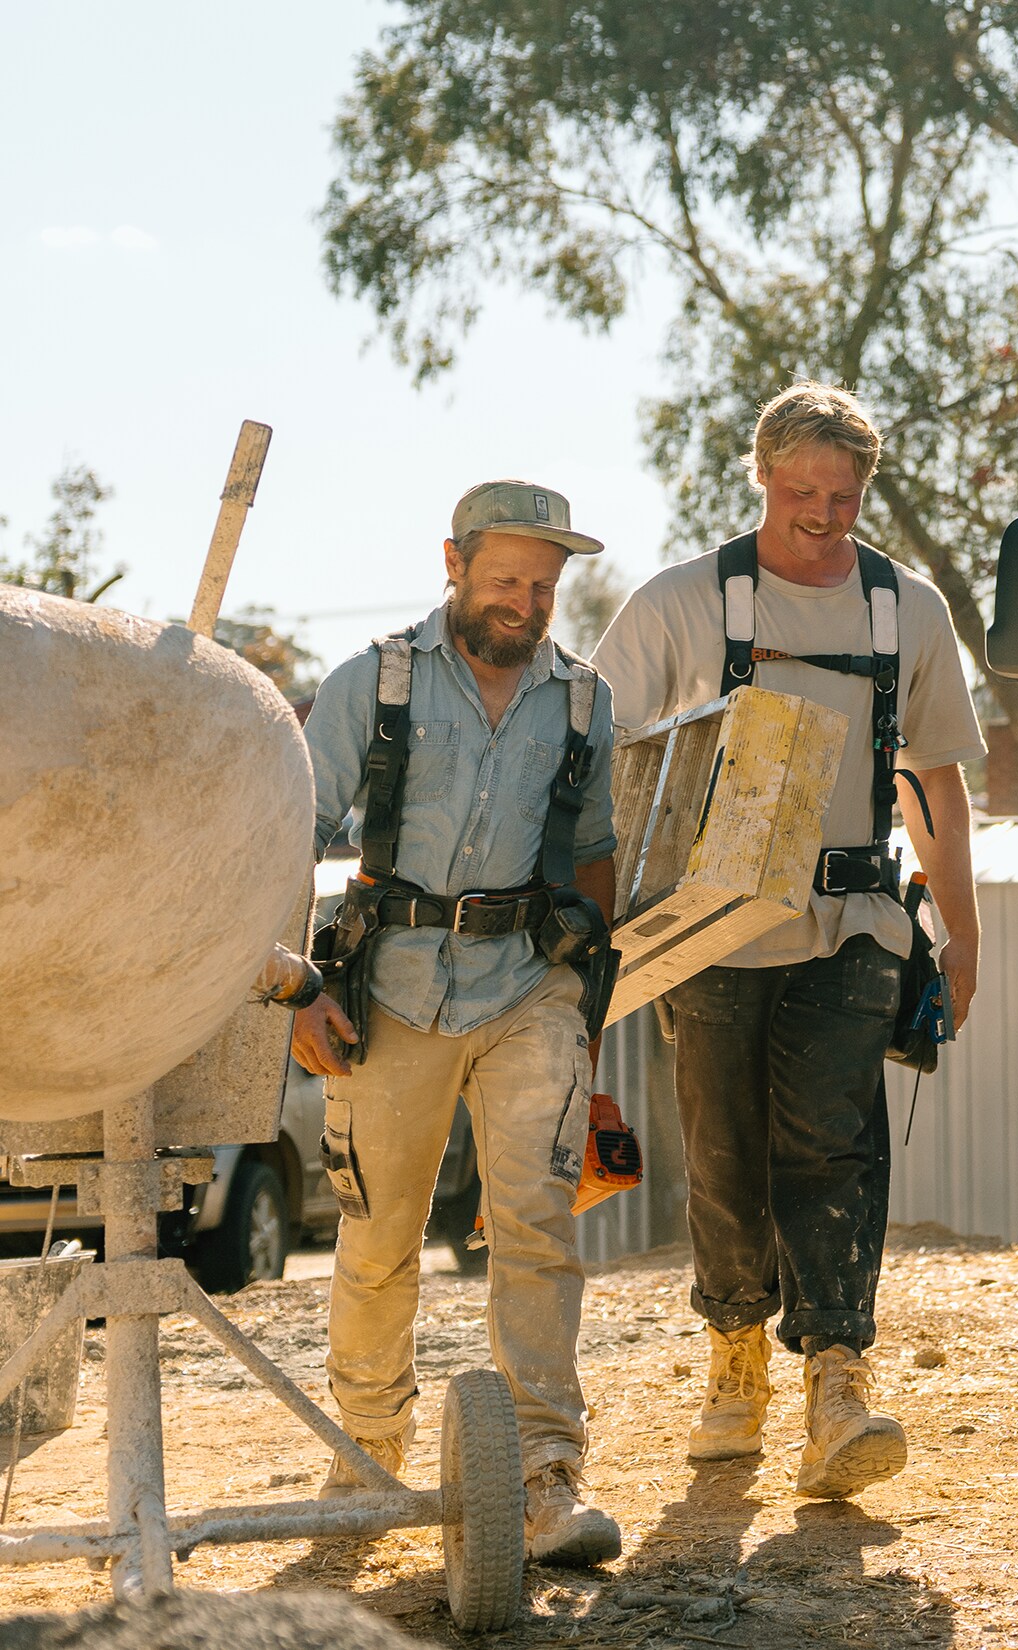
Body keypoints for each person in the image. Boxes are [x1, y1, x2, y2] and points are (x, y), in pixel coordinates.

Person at [592, 383, 985, 1499]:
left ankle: (839, 1379)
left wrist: (958, 935)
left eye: (845, 496)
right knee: (724, 1153)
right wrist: (602, 933)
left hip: (853, 918)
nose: (822, 515)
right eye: (802, 491)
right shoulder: (678, 605)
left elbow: (941, 790)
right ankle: (734, 1355)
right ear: (761, 475)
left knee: (833, 1143)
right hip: (707, 928)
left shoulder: (905, 609)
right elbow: (598, 766)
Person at [290, 481, 624, 1566]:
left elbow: (593, 858)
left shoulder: (583, 701)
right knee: (380, 1237)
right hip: (388, 996)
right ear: (453, 563)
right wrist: (298, 988)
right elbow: (285, 832)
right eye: (504, 579)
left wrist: (586, 1012)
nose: (524, 602)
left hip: (528, 991)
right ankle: (365, 1459)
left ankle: (544, 1477)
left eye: (543, 584)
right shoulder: (372, 684)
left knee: (535, 1228)